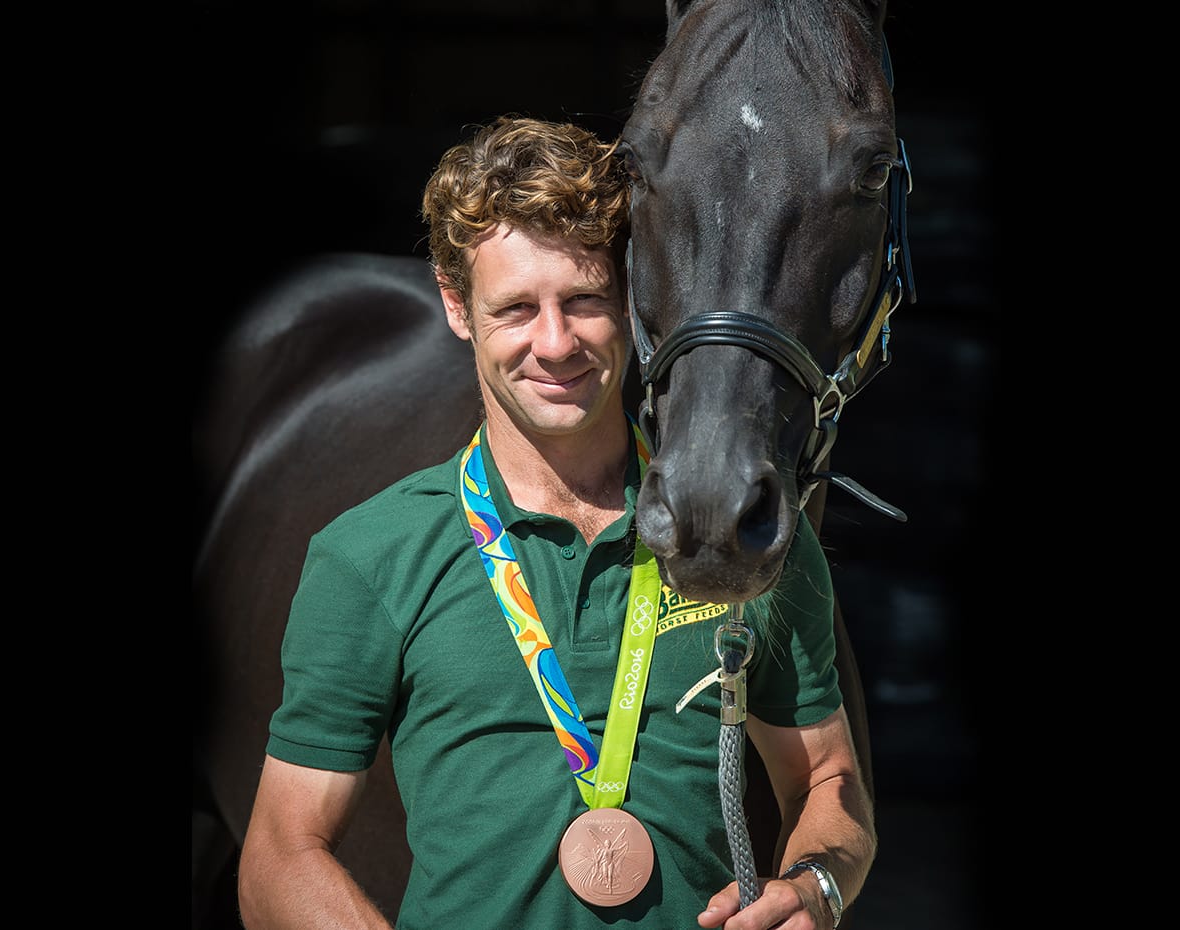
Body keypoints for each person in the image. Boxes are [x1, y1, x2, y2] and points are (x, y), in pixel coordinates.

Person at [237, 115, 876, 930]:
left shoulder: (747, 541)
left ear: (633, 299)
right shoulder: (371, 556)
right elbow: (279, 855)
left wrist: (817, 886)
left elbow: (826, 780)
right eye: (514, 309)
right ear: (456, 307)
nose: (555, 342)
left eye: (584, 300)